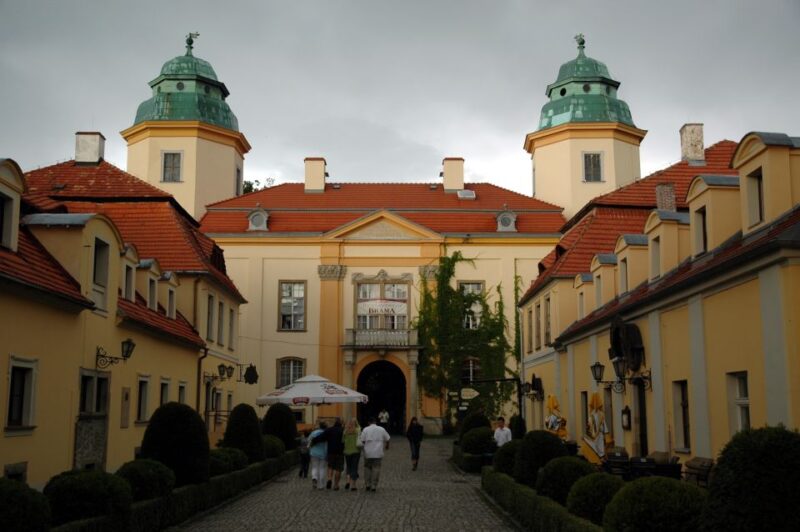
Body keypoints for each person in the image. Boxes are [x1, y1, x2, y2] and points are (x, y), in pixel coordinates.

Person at [312, 417, 345, 490]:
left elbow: (321, 437)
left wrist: (313, 441)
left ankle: (329, 479)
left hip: (331, 451)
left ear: (334, 423)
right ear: (341, 423)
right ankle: (336, 485)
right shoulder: (343, 430)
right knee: (338, 469)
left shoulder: (329, 430)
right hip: (340, 452)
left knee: (330, 466)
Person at [359, 416, 390, 492]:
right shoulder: (381, 429)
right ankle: (374, 485)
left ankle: (367, 484)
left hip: (368, 453)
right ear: (375, 422)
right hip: (378, 453)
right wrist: (387, 446)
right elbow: (388, 438)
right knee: (376, 468)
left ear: (368, 422)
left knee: (367, 468)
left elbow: (362, 440)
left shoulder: (365, 429)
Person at [342, 418, 361, 491]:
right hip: (356, 451)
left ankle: (347, 481)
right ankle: (353, 485)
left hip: (347, 451)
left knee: (348, 467)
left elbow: (343, 441)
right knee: (354, 467)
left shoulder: (345, 431)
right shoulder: (357, 430)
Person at [308, 420, 328, 490]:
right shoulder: (326, 433)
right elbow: (326, 445)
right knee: (322, 468)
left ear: (319, 426)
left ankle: (314, 478)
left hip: (313, 452)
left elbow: (309, 441)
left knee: (314, 467)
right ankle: (321, 485)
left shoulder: (313, 433)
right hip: (323, 453)